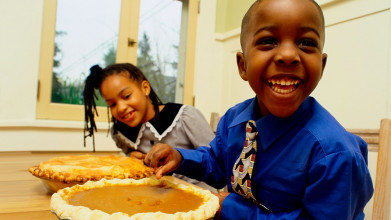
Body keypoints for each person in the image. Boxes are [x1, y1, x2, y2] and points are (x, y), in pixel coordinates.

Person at [143, 0, 374, 219]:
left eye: (306, 43)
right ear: (243, 66)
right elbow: (216, 163)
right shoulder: (234, 120)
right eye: (268, 41)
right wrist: (181, 158)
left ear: (321, 66)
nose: (288, 55)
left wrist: (233, 210)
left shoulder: (335, 154)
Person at [83, 63, 216, 191]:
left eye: (126, 96)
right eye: (112, 104)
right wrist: (131, 158)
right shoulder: (120, 132)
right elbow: (130, 156)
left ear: (145, 88)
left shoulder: (184, 116)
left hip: (198, 193)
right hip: (155, 195)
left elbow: (215, 161)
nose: (121, 108)